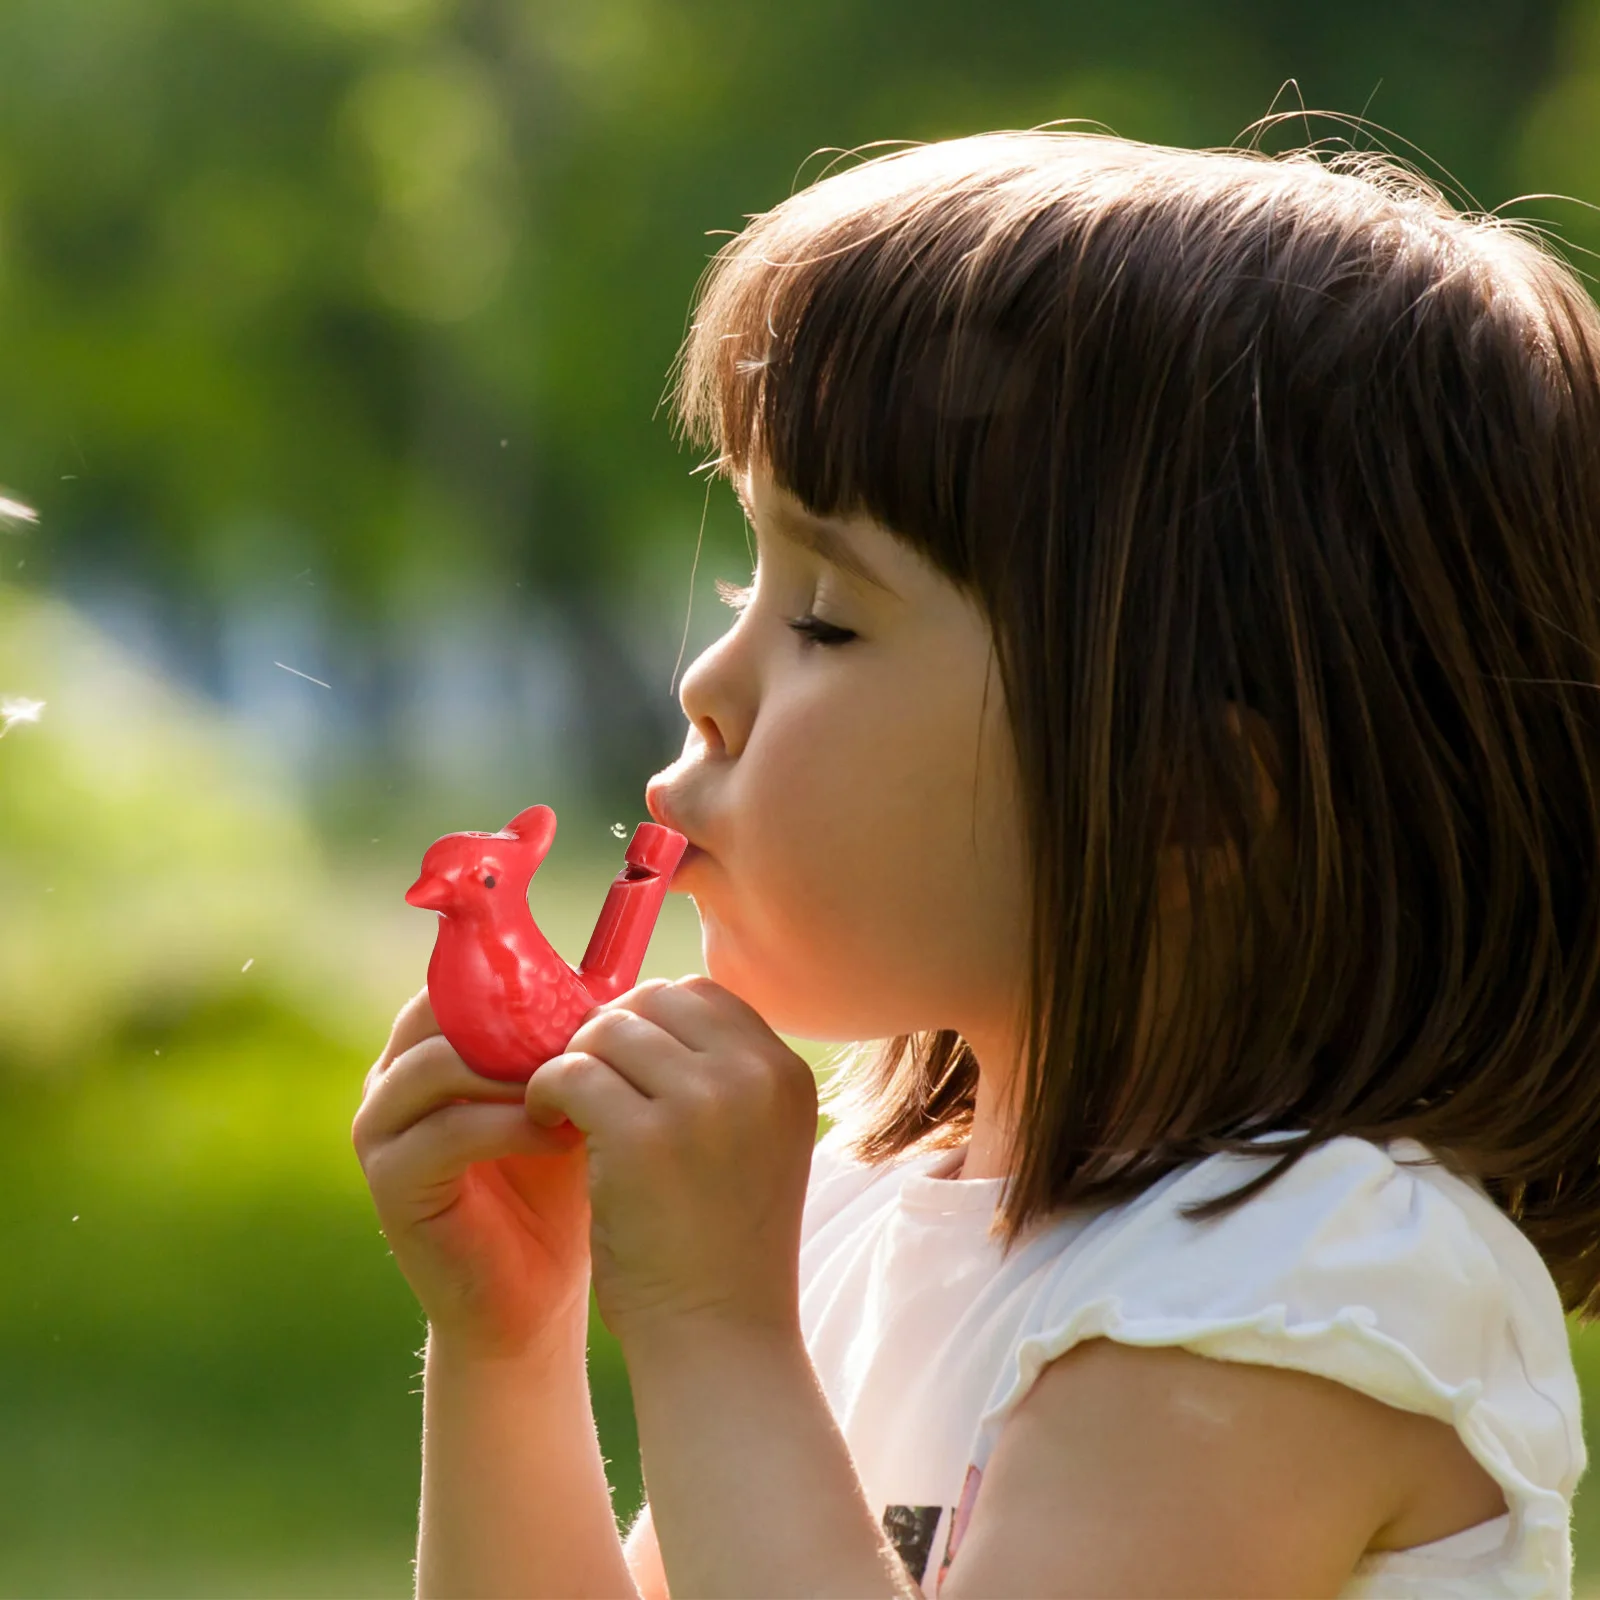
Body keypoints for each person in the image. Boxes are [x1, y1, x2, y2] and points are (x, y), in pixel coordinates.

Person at [353, 126, 1600, 1597]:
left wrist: (715, 1331)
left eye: (828, 618)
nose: (708, 679)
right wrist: (512, 1340)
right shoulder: (855, 1213)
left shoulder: (1293, 1289)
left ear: (1186, 797)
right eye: (753, 575)